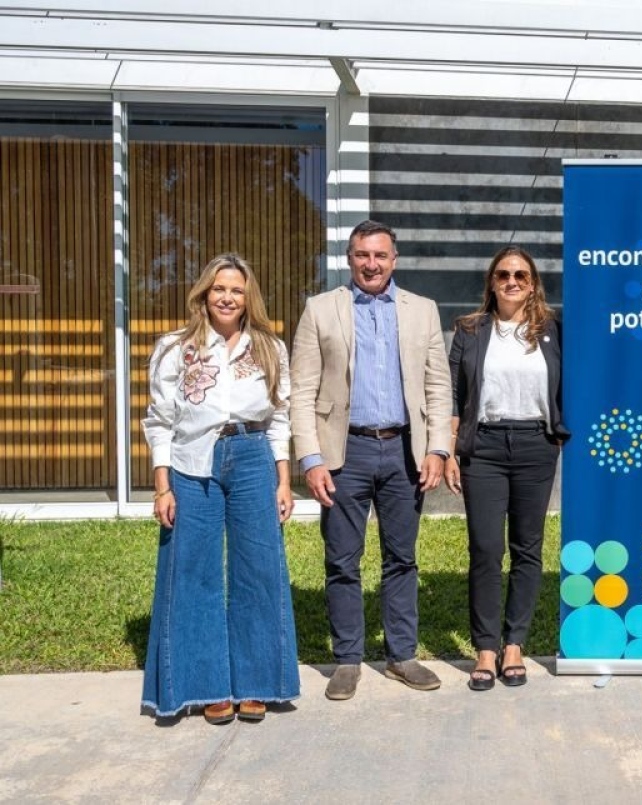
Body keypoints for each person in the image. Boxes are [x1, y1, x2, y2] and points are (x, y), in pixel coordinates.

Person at [290, 219, 453, 700]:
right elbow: (301, 392)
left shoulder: (422, 311)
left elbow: (438, 386)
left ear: (394, 260)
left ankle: (402, 655)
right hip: (345, 452)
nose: (372, 264)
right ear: (349, 258)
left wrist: (438, 448)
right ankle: (347, 660)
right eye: (363, 255)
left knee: (401, 558)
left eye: (380, 255)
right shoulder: (321, 310)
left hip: (405, 450)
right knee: (342, 559)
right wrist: (311, 459)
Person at [140, 253, 299, 724]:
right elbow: (159, 420)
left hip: (252, 459)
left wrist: (283, 480)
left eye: (236, 289)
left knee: (260, 571)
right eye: (219, 289)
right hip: (193, 463)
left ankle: (257, 683)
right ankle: (206, 685)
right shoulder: (175, 348)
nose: (227, 297)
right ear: (204, 295)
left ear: (249, 297)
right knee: (193, 574)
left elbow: (280, 418)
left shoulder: (270, 347)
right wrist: (162, 485)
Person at [443, 246, 569, 691]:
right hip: (486, 448)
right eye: (503, 274)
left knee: (527, 547)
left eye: (520, 274)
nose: (512, 281)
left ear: (532, 283)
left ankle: (514, 644)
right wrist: (450, 450)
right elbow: (456, 398)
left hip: (537, 444)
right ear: (491, 282)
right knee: (485, 548)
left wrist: (559, 433)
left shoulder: (555, 329)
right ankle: (485, 648)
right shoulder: (470, 330)